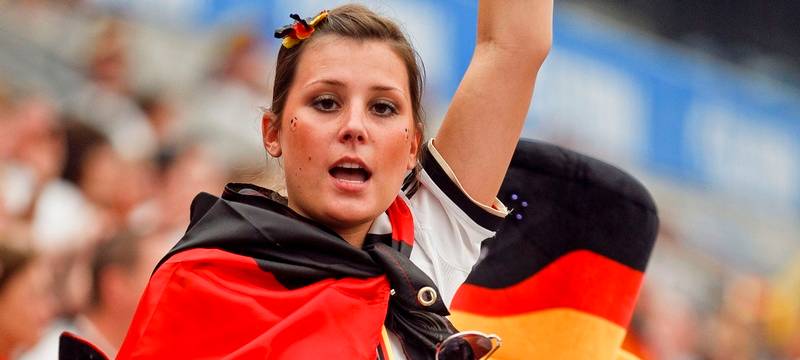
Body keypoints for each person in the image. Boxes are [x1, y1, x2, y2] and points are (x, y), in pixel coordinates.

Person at [65, 2, 552, 359]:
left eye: (383, 108)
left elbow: (514, 46)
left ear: (410, 146)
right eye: (326, 103)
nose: (354, 127)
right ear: (273, 132)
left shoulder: (419, 253)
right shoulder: (200, 280)